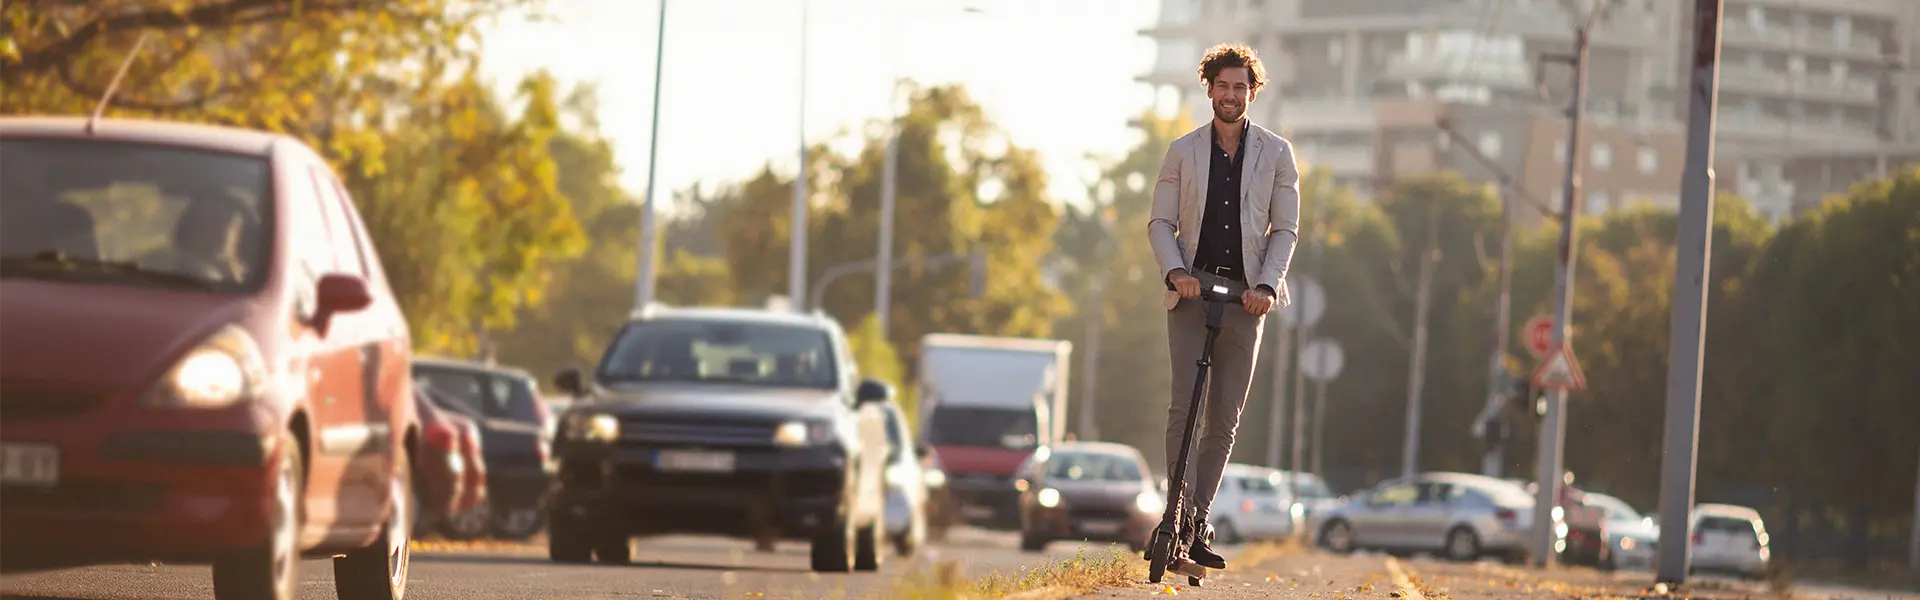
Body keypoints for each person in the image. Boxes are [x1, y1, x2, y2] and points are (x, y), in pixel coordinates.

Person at [1145, 42, 1301, 570]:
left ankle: (1197, 521)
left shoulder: (1277, 154)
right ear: (1208, 88)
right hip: (1191, 290)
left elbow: (1285, 229)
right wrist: (1176, 272)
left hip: (1247, 298)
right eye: (1223, 86)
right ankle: (1175, 510)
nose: (1231, 95)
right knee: (1182, 406)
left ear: (1251, 93)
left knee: (1223, 420)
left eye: (1241, 87)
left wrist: (1267, 287)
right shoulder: (1182, 151)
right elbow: (1161, 223)